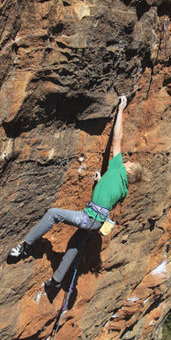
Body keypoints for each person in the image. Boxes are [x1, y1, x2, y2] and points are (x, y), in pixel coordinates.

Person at [8, 95, 143, 287]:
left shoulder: (117, 168)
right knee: (75, 243)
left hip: (89, 218)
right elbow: (107, 196)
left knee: (53, 214)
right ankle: (56, 281)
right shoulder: (124, 189)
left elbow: (117, 138)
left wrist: (121, 109)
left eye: (129, 162)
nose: (127, 160)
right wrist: (100, 182)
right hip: (96, 222)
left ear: (128, 170)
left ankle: (24, 246)